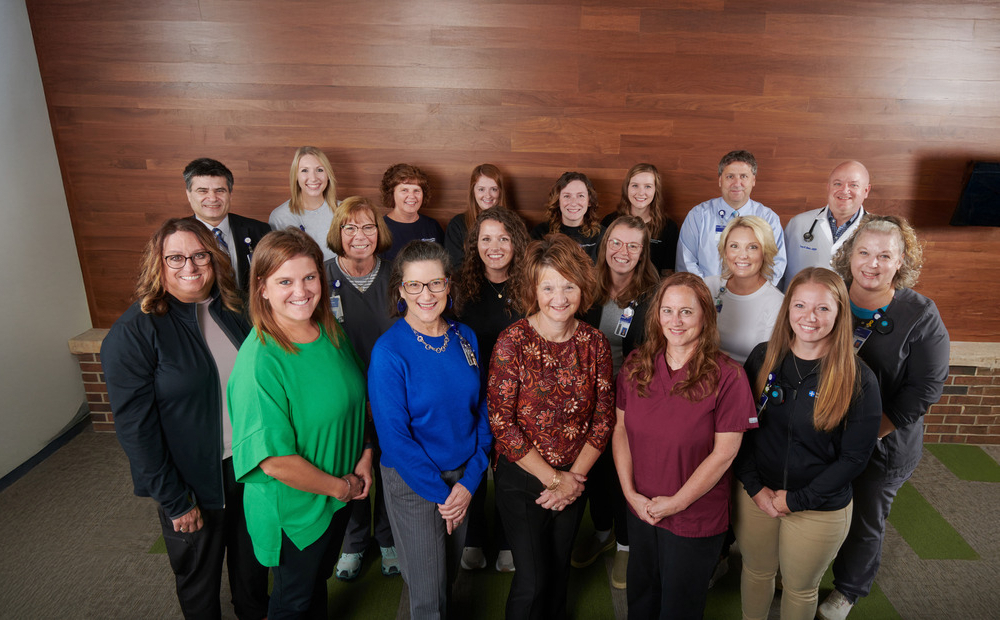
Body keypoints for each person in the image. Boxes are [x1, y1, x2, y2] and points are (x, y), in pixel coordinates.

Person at [101, 218, 269, 620]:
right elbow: (135, 431)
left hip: (250, 468)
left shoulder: (234, 310)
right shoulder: (134, 332)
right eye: (175, 257)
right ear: (157, 264)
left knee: (254, 571)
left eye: (199, 255)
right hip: (190, 482)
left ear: (215, 259)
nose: (189, 266)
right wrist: (175, 501)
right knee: (199, 582)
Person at [227, 228, 372, 619]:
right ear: (261, 288)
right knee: (292, 602)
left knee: (313, 589)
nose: (301, 290)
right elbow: (274, 461)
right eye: (285, 281)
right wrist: (341, 486)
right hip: (297, 507)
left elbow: (356, 400)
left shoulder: (327, 329)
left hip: (339, 493)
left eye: (309, 277)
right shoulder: (259, 361)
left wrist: (365, 456)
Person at [818, 215, 950, 620]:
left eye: (884, 255)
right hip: (826, 433)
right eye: (864, 253)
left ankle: (847, 590)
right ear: (849, 255)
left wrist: (870, 434)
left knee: (864, 517)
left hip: (883, 443)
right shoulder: (831, 295)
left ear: (901, 260)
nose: (872, 263)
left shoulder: (921, 315)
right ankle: (805, 570)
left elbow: (925, 389)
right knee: (821, 507)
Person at [735, 267, 882, 620]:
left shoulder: (858, 378)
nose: (809, 318)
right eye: (800, 306)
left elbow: (855, 458)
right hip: (757, 495)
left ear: (839, 314)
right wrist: (755, 488)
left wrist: (797, 499)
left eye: (822, 309)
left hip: (819, 506)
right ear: (787, 310)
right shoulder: (762, 357)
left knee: (800, 588)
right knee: (756, 571)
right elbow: (738, 431)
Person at [612, 272, 756, 620]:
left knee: (680, 606)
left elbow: (725, 454)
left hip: (694, 515)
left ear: (705, 316)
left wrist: (676, 503)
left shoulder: (728, 376)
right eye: (667, 310)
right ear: (656, 314)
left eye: (686, 312)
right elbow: (620, 430)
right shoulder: (635, 365)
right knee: (642, 597)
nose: (675, 321)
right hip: (641, 507)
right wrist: (630, 494)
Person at [489, 234, 614, 620]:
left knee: (559, 571)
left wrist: (571, 480)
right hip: (523, 479)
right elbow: (501, 423)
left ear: (583, 288)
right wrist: (552, 480)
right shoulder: (512, 341)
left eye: (569, 286)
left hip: (575, 478)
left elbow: (604, 417)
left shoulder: (595, 343)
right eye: (548, 286)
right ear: (533, 289)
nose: (559, 297)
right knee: (533, 579)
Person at [368, 241, 492, 620]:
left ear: (449, 285)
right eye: (415, 285)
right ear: (401, 290)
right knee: (428, 595)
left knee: (446, 578)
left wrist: (468, 484)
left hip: (463, 477)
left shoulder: (464, 336)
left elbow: (484, 412)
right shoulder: (389, 351)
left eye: (435, 283)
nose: (427, 295)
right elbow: (394, 439)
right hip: (415, 482)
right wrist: (445, 496)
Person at [574, 215, 660, 589]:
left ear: (642, 253)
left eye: (633, 246)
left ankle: (626, 544)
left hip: (633, 396)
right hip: (589, 394)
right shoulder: (586, 286)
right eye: (616, 243)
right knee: (593, 468)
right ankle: (603, 530)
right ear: (605, 244)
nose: (622, 252)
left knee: (626, 469)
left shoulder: (654, 295)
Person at [322, 196, 400, 581]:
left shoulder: (396, 274)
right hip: (342, 393)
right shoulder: (320, 276)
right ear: (338, 232)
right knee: (351, 463)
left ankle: (387, 537)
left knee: (387, 464)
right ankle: (354, 542)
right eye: (350, 227)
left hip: (389, 391)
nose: (359, 235)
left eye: (368, 226)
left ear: (379, 231)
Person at [455, 206, 530, 573]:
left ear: (516, 242)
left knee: (510, 470)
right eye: (486, 239)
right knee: (472, 464)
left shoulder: (530, 285)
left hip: (519, 396)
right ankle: (473, 537)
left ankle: (505, 540)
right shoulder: (460, 286)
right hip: (472, 392)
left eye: (503, 238)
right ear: (475, 245)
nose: (495, 246)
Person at [676, 150, 786, 285]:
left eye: (744, 176)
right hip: (705, 297)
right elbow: (686, 262)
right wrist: (707, 293)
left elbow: (776, 264)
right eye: (730, 176)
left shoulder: (769, 219)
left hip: (751, 300)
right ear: (720, 180)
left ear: (753, 180)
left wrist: (751, 294)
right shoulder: (698, 215)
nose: (737, 183)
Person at [704, 215, 784, 364]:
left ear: (765, 253)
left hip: (746, 381)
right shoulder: (707, 287)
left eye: (752, 247)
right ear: (724, 251)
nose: (742, 255)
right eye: (734, 246)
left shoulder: (777, 303)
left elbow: (767, 363)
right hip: (702, 372)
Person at [183, 157, 271, 291]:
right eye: (203, 191)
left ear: (230, 194)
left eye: (220, 190)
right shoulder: (175, 236)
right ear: (189, 195)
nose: (212, 198)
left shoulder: (260, 231)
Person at [784, 161, 871, 286]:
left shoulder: (879, 230)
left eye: (853, 185)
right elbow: (780, 272)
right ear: (828, 187)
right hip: (800, 303)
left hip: (852, 305)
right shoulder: (798, 224)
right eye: (838, 184)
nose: (844, 190)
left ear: (866, 190)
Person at [602, 163, 679, 274]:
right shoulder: (610, 221)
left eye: (648, 186)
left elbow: (667, 272)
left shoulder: (668, 227)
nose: (641, 192)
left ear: (655, 190)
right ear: (626, 188)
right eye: (635, 185)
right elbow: (601, 263)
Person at [269, 146, 340, 262]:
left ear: (328, 175)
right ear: (295, 176)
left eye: (320, 170)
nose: (313, 178)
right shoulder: (279, 217)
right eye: (304, 170)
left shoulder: (345, 211)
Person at [445, 163, 510, 267]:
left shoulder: (514, 223)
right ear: (473, 192)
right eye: (481, 189)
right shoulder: (457, 225)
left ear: (500, 192)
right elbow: (456, 268)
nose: (488, 195)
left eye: (494, 189)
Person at [531, 172, 605, 262]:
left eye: (580, 196)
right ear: (558, 201)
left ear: (589, 201)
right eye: (567, 196)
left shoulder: (602, 235)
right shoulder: (540, 233)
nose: (573, 203)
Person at [379, 163, 444, 262]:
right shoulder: (380, 229)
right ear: (391, 193)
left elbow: (443, 264)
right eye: (404, 190)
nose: (412, 196)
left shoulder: (432, 226)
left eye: (416, 191)